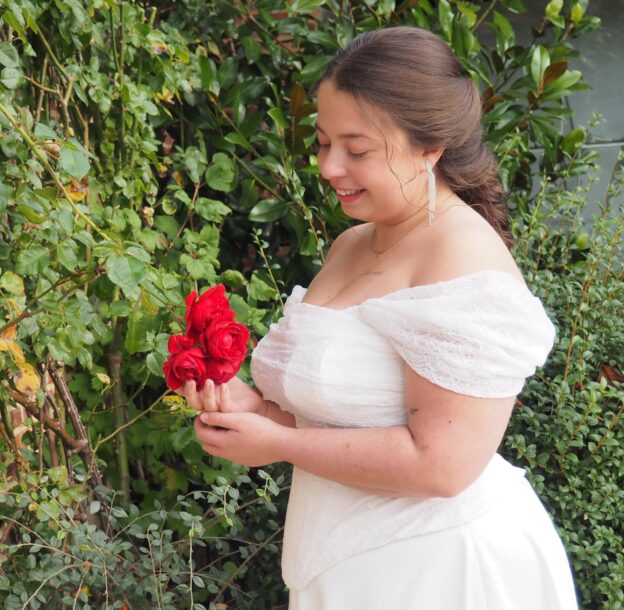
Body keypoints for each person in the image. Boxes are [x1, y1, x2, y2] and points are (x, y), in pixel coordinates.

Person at [176, 26, 578, 609]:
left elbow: (442, 464)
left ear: (429, 148)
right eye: (321, 143)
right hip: (338, 564)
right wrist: (252, 409)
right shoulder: (352, 245)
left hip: (438, 569)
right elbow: (331, 414)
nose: (330, 166)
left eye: (357, 149)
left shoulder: (461, 255)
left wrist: (280, 444)